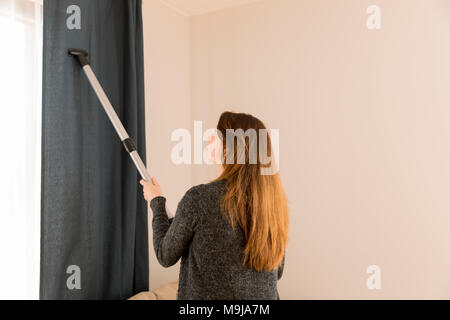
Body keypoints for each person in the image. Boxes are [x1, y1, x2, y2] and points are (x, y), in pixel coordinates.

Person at [140, 111, 289, 299]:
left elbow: (165, 254)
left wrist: (156, 203)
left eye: (216, 136)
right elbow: (278, 271)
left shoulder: (199, 198)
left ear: (229, 149)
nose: (209, 139)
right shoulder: (273, 205)